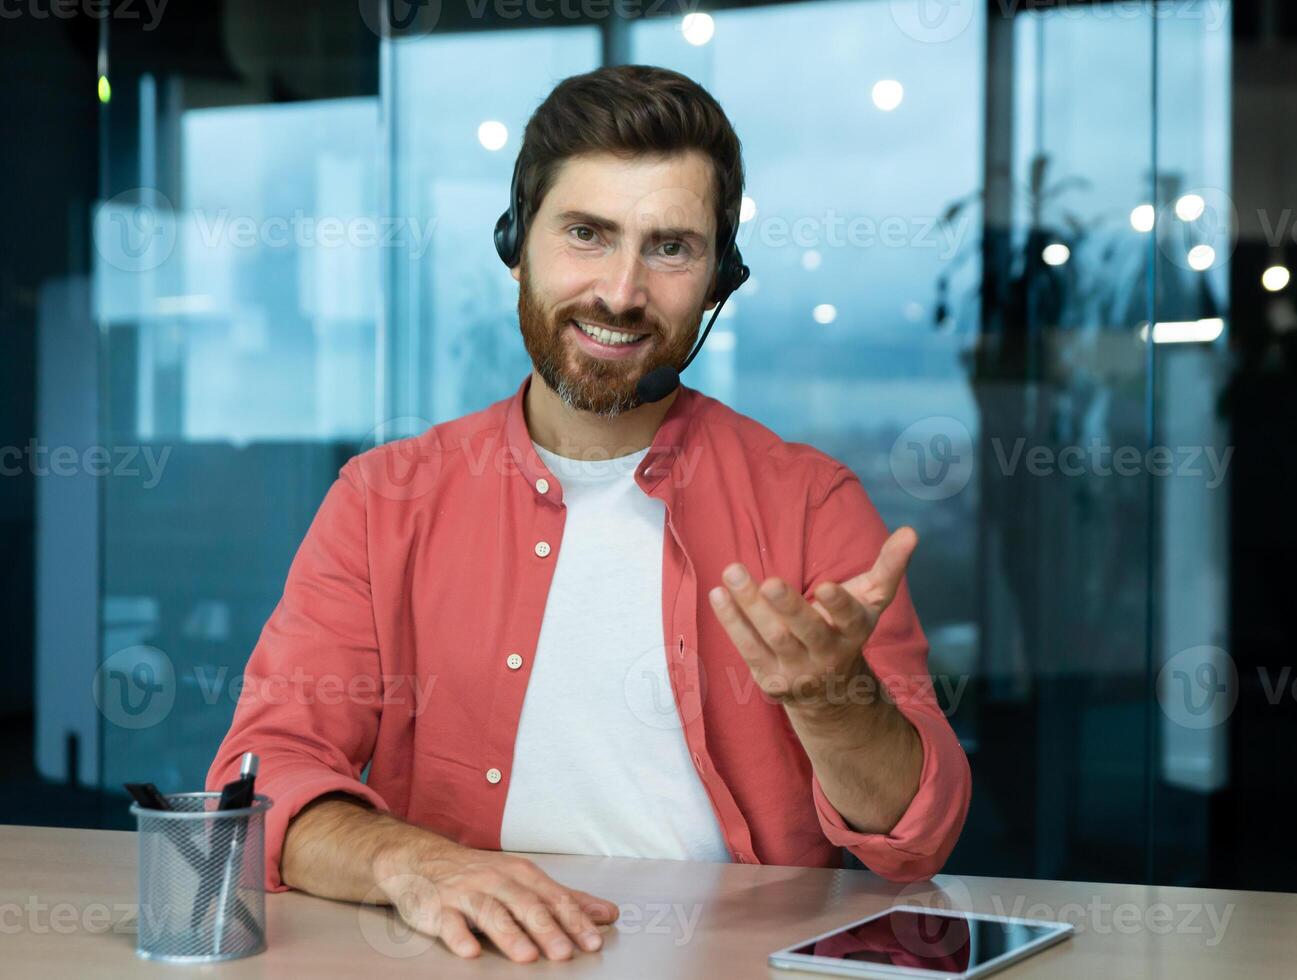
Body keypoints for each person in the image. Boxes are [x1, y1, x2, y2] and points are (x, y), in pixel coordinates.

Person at [207, 63, 970, 966]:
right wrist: (415, 864)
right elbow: (258, 788)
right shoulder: (383, 500)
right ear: (515, 241)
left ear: (720, 277)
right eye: (586, 233)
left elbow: (918, 839)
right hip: (470, 956)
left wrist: (831, 703)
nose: (620, 290)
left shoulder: (809, 503)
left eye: (671, 247)